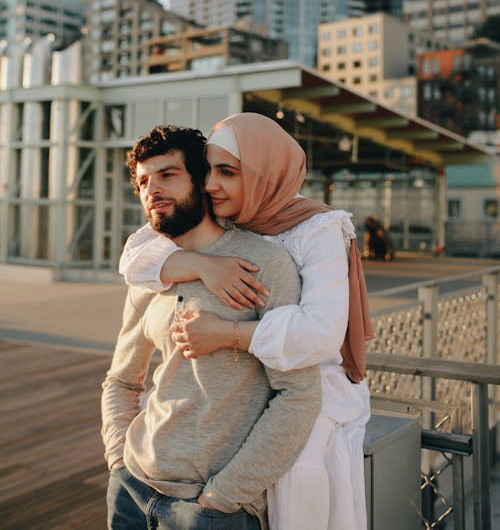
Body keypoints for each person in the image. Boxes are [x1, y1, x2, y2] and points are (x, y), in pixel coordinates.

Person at [120, 113, 374, 530]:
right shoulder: (225, 219)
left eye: (228, 172)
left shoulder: (316, 229)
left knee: (294, 495)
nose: (210, 185)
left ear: (263, 174)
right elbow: (135, 259)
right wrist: (204, 264)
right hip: (164, 460)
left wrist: (225, 334)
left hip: (314, 393)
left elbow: (322, 335)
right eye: (209, 171)